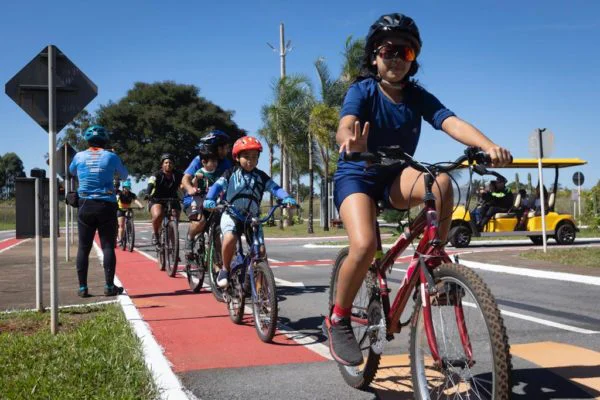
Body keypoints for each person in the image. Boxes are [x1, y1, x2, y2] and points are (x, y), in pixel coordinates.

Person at [325, 13, 512, 366]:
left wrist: (489, 146)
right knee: (364, 245)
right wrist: (348, 139)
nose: (396, 58)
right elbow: (346, 123)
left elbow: (450, 121)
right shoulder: (362, 90)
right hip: (357, 173)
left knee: (441, 182)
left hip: (395, 174)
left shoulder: (416, 95)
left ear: (413, 60)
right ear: (374, 57)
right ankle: (338, 318)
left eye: (405, 53)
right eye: (388, 50)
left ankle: (435, 263)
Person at [203, 136, 297, 287]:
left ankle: (261, 292)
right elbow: (217, 187)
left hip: (252, 218)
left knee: (260, 251)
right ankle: (225, 269)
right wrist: (210, 198)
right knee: (230, 238)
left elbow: (275, 188)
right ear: (237, 157)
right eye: (246, 157)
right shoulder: (230, 173)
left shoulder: (261, 176)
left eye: (254, 157)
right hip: (231, 214)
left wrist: (286, 198)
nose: (250, 161)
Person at [68, 125, 128, 297]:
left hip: (85, 204)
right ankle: (109, 286)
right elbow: (124, 176)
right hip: (106, 205)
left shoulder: (79, 156)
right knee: (108, 246)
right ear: (104, 140)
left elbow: (70, 171)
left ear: (88, 140)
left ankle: (82, 288)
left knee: (83, 247)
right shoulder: (111, 156)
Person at [182, 130, 233, 256]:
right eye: (225, 148)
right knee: (200, 222)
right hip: (195, 200)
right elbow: (185, 178)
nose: (227, 151)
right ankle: (190, 238)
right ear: (216, 148)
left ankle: (216, 267)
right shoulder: (200, 159)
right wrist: (190, 189)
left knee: (217, 230)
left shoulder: (226, 163)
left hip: (215, 202)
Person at [181, 144, 219, 259]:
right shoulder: (199, 171)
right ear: (203, 162)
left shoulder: (217, 173)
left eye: (216, 161)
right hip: (198, 199)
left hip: (211, 201)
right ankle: (190, 239)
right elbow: (191, 183)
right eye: (212, 161)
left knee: (217, 223)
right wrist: (195, 183)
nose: (215, 164)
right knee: (200, 220)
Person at [146, 153, 184, 245]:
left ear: (173, 164)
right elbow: (151, 183)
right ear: (162, 165)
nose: (168, 164)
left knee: (174, 219)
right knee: (158, 214)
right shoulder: (157, 174)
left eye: (170, 162)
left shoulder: (178, 174)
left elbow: (186, 182)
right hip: (157, 199)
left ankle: (174, 249)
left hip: (172, 199)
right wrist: (148, 193)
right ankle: (156, 234)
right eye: (166, 162)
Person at [116, 179, 144, 245]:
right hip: (120, 209)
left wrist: (141, 205)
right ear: (123, 188)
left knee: (130, 216)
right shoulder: (120, 193)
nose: (127, 189)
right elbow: (117, 198)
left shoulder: (132, 194)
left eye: (129, 188)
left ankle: (130, 227)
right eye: (126, 187)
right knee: (121, 225)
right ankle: (120, 239)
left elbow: (135, 201)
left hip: (128, 209)